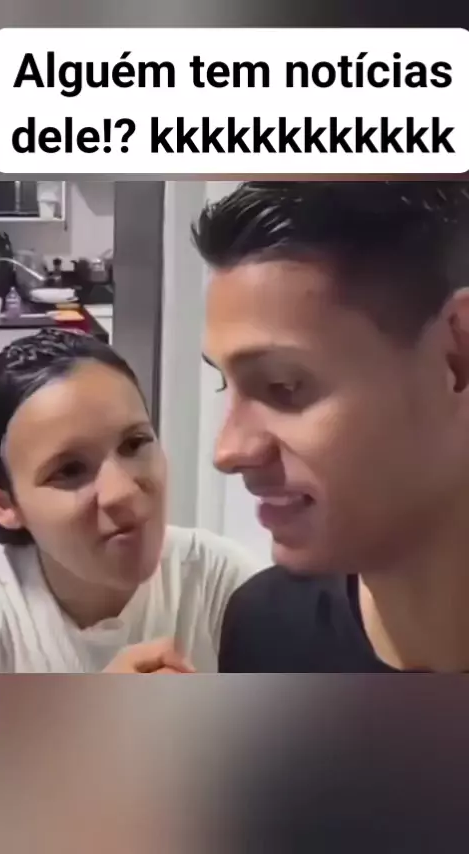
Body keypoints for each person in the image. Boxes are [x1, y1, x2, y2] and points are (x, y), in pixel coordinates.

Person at [193, 179, 469, 673]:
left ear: (457, 356)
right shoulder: (267, 630)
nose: (228, 450)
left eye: (283, 385)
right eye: (224, 385)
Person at [0, 328, 259, 672]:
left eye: (135, 443)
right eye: (69, 470)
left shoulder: (221, 585)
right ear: (4, 504)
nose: (123, 492)